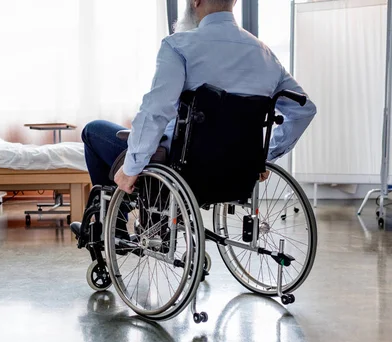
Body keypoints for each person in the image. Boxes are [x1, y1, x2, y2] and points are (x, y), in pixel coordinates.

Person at [71, 0, 317, 237]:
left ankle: (115, 228)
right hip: (238, 171)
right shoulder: (264, 55)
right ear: (235, 2)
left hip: (184, 168)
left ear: (195, 1)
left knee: (93, 131)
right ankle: (146, 222)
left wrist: (131, 167)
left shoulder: (179, 45)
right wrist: (263, 156)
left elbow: (156, 110)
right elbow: (304, 109)